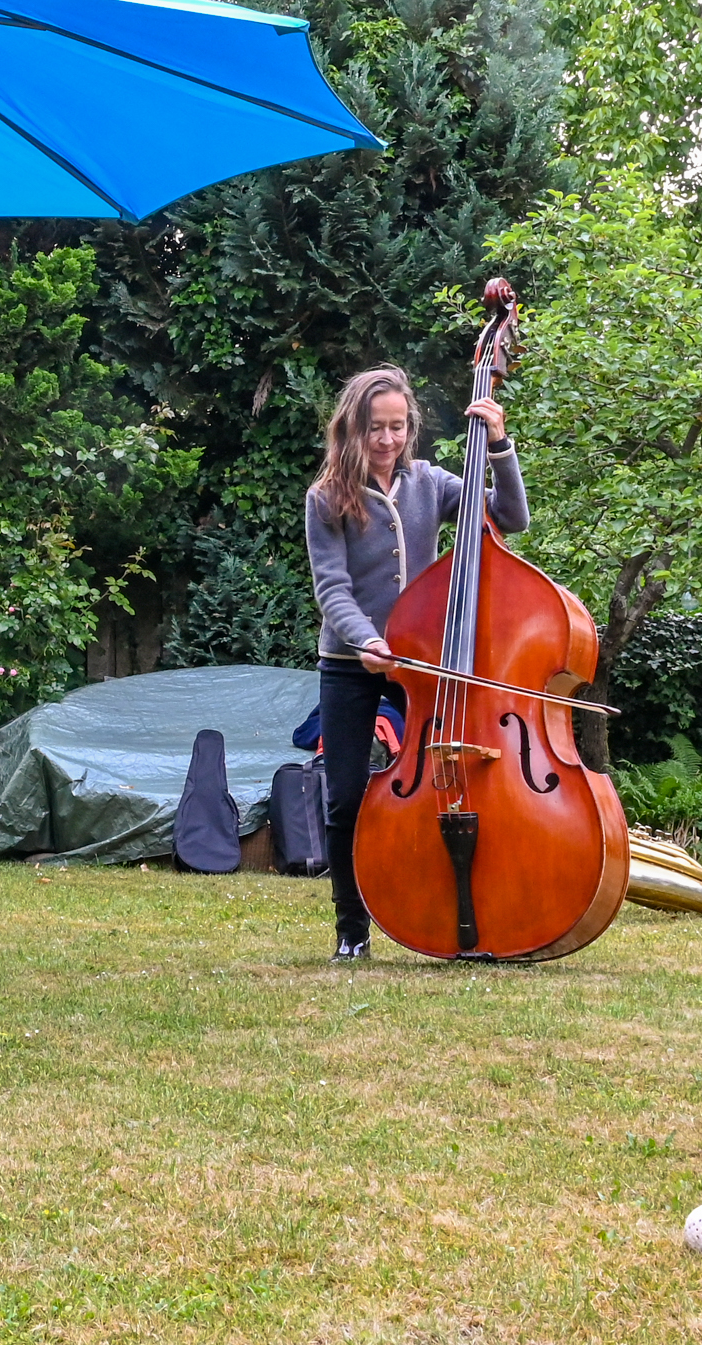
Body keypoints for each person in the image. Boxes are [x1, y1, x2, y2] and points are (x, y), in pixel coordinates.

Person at [303, 366, 527, 961]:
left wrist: (499, 445)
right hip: (352, 663)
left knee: (451, 783)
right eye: (375, 428)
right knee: (346, 796)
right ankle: (352, 930)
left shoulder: (432, 482)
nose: (387, 439)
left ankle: (462, 914)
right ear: (352, 428)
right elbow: (332, 588)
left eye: (397, 427)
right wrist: (364, 641)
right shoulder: (325, 498)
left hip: (426, 662)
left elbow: (509, 518)